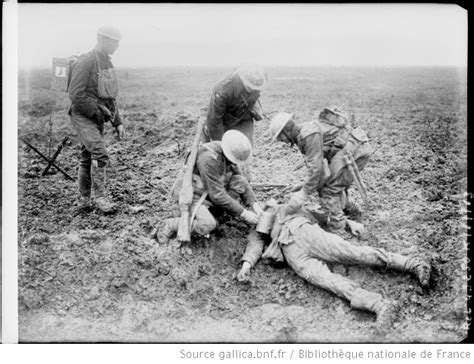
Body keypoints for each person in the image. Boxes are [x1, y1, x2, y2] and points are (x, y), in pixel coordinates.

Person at [237, 200, 432, 324]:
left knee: (353, 253)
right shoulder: (257, 229)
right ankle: (379, 305)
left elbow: (316, 212)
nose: (253, 211)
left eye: (251, 204)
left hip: (304, 231)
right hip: (292, 255)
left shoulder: (278, 207)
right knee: (329, 281)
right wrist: (247, 265)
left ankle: (412, 264)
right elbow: (254, 245)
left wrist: (347, 223)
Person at [269, 107, 373, 235]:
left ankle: (338, 229)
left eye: (280, 138)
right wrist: (303, 185)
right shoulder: (304, 134)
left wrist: (303, 194)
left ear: (286, 131)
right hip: (352, 147)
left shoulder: (307, 134)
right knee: (333, 183)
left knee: (328, 190)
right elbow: (322, 169)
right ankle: (349, 210)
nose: (282, 141)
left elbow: (316, 169)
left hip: (355, 149)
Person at [157, 130, 264, 243]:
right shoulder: (208, 160)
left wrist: (255, 205)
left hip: (209, 190)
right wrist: (244, 213)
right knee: (208, 224)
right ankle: (170, 224)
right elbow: (217, 196)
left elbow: (239, 177)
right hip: (193, 195)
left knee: (239, 181)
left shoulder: (225, 150)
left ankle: (217, 213)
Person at [68, 25, 125, 213]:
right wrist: (96, 111)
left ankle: (84, 201)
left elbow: (110, 95)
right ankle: (100, 199)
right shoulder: (85, 61)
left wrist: (117, 122)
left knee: (86, 157)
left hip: (97, 116)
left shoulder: (107, 63)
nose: (117, 46)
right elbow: (76, 94)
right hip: (83, 115)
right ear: (102, 39)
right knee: (99, 153)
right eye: (114, 42)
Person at [204, 64, 267, 148]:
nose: (252, 90)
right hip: (223, 119)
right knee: (221, 149)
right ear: (243, 80)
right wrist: (221, 145)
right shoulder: (224, 89)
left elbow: (252, 101)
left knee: (246, 147)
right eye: (249, 87)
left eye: (255, 88)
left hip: (243, 114)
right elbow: (215, 121)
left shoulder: (259, 82)